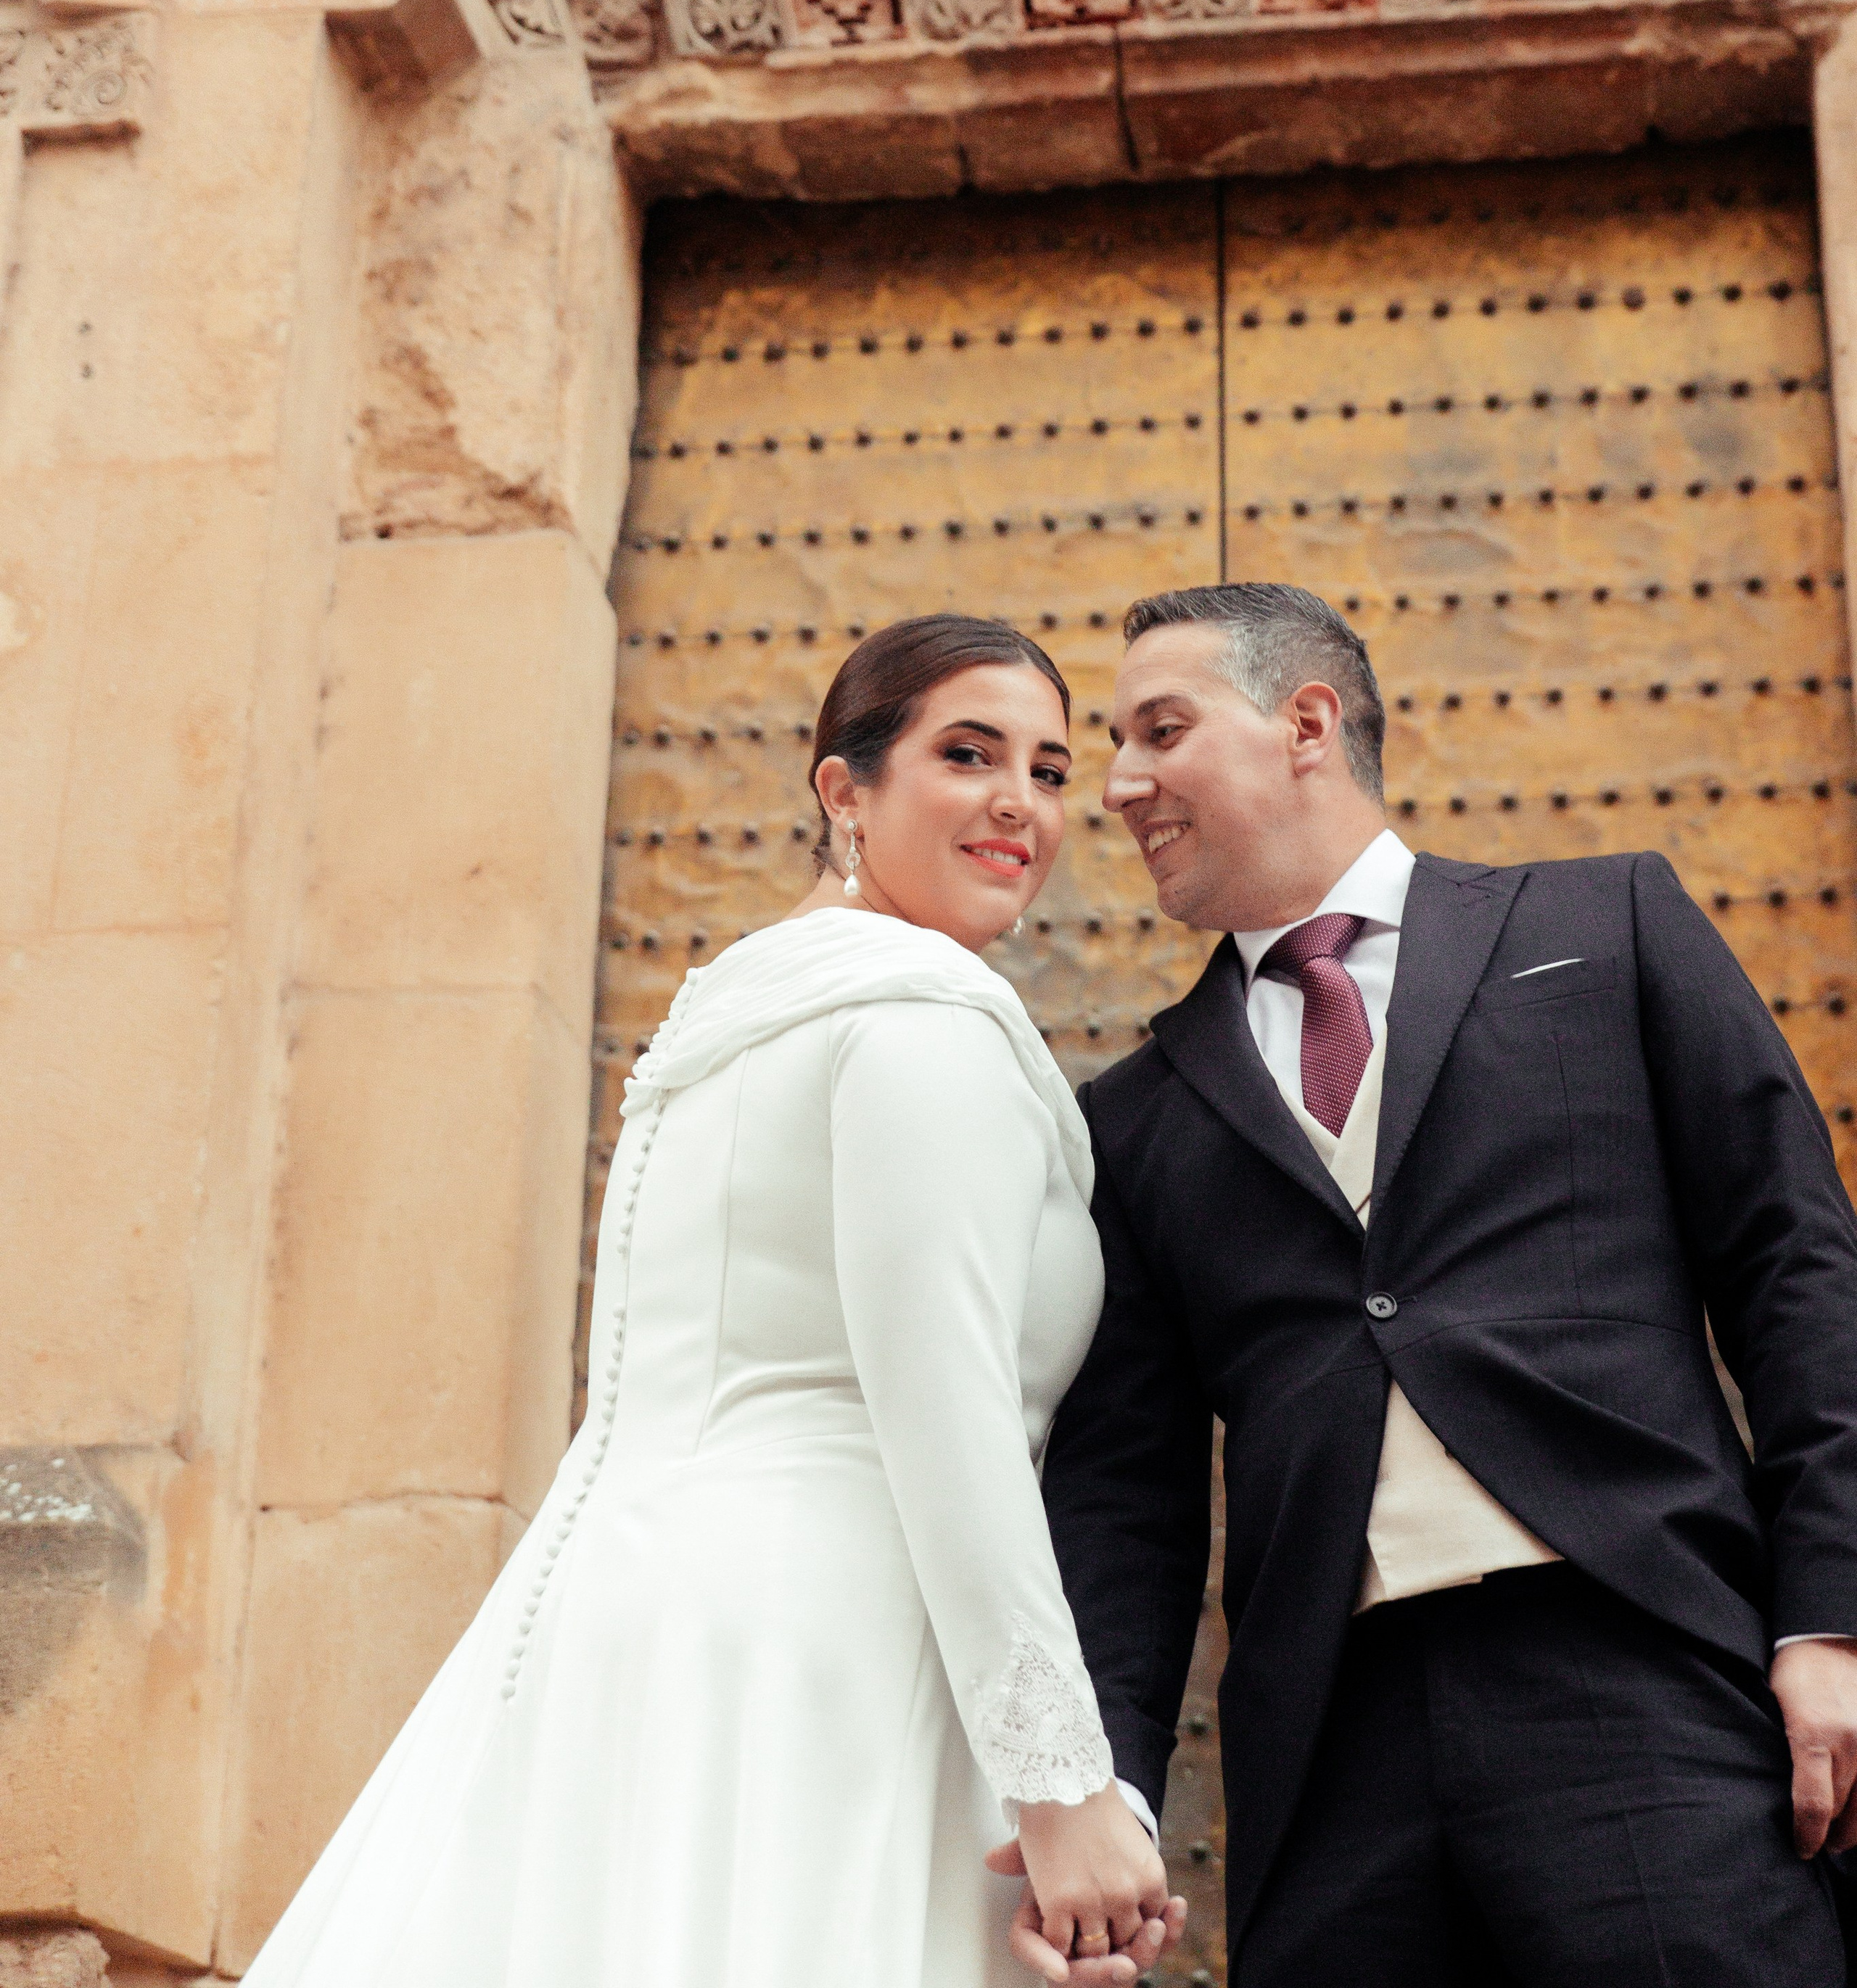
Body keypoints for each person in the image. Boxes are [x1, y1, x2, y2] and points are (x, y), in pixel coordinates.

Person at [241, 614, 1183, 1988]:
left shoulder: (721, 1027)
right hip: (826, 1650)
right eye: (967, 755)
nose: (1018, 805)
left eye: (1049, 770)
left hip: (635, 1637)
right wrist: (1061, 1788)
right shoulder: (922, 1026)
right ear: (843, 791)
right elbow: (950, 1424)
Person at [1035, 580, 1857, 1988]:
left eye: (1157, 730)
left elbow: (1794, 1268)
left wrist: (1827, 1617)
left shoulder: (1608, 926)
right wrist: (1108, 1793)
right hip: (1329, 1754)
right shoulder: (1134, 1119)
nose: (1117, 785)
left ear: (1305, 723)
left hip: (1638, 1672)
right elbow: (1126, 1504)